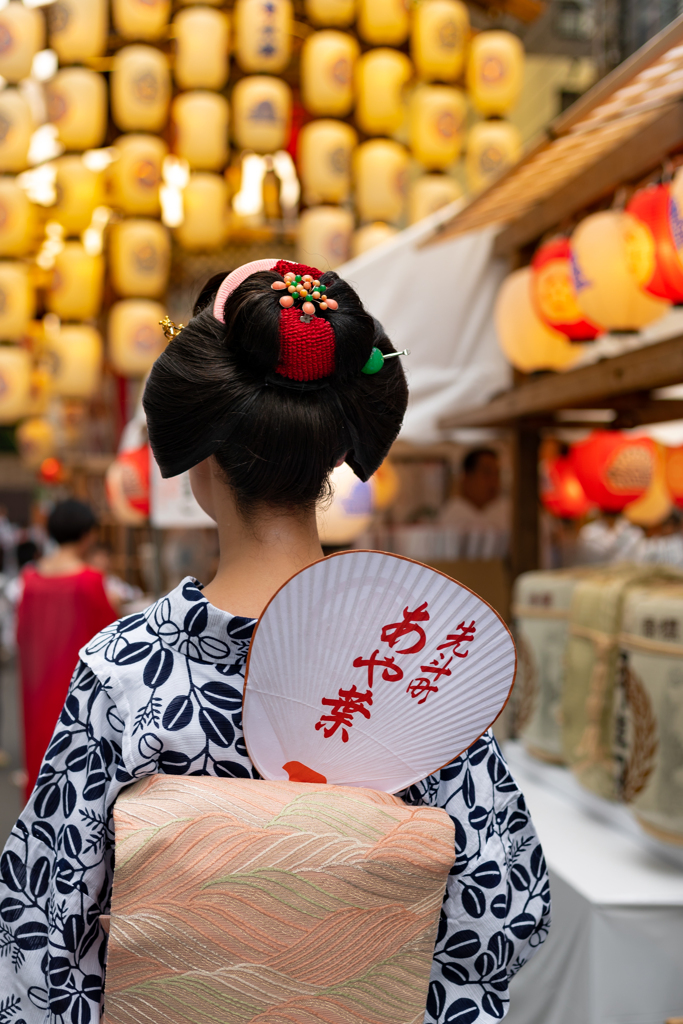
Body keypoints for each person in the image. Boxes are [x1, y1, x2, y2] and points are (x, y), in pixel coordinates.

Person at [0, 261, 549, 1021]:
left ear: (200, 457)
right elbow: (507, 908)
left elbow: (38, 924)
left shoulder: (124, 673)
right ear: (329, 458)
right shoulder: (419, 669)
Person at [14, 499, 117, 800]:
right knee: (78, 772)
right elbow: (109, 640)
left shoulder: (30, 579)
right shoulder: (90, 581)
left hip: (37, 684)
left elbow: (22, 634)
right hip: (78, 690)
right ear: (87, 534)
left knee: (40, 757)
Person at [439, 447, 509, 533]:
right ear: (466, 478)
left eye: (497, 474)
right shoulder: (452, 516)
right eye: (487, 473)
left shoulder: (506, 512)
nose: (494, 481)